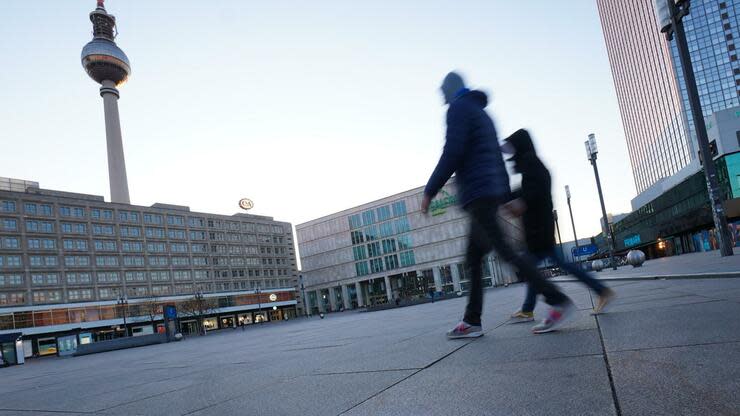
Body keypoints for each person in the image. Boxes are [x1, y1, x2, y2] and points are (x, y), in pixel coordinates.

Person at [423, 72, 575, 338]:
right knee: (473, 258)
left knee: (505, 252)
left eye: (443, 91)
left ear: (451, 90)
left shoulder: (458, 109)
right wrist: (504, 196)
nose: (441, 96)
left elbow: (453, 152)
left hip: (478, 194)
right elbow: (496, 160)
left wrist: (430, 190)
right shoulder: (482, 114)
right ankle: (472, 321)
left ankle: (556, 300)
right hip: (486, 192)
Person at [501, 129, 615, 323]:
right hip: (538, 228)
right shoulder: (532, 165)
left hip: (539, 229)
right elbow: (524, 192)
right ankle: (528, 309)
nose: (511, 155)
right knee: (533, 268)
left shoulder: (532, 165)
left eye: (512, 149)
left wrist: (519, 203)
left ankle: (601, 291)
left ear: (520, 147)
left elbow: (534, 194)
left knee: (542, 267)